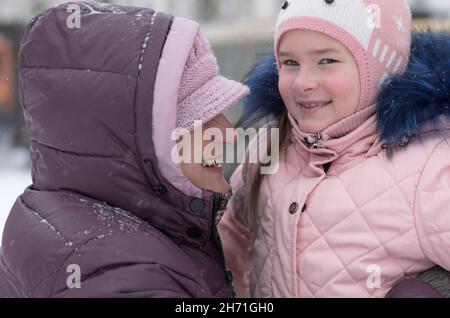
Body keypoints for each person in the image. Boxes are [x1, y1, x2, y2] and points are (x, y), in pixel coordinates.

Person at [0, 2, 249, 297]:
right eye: (203, 118)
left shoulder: (67, 225)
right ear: (134, 141)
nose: (229, 134)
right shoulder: (127, 277)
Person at [219, 0, 450, 298]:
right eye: (289, 63)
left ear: (380, 68)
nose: (303, 82)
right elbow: (230, 249)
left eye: (326, 61)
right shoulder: (270, 147)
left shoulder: (428, 170)